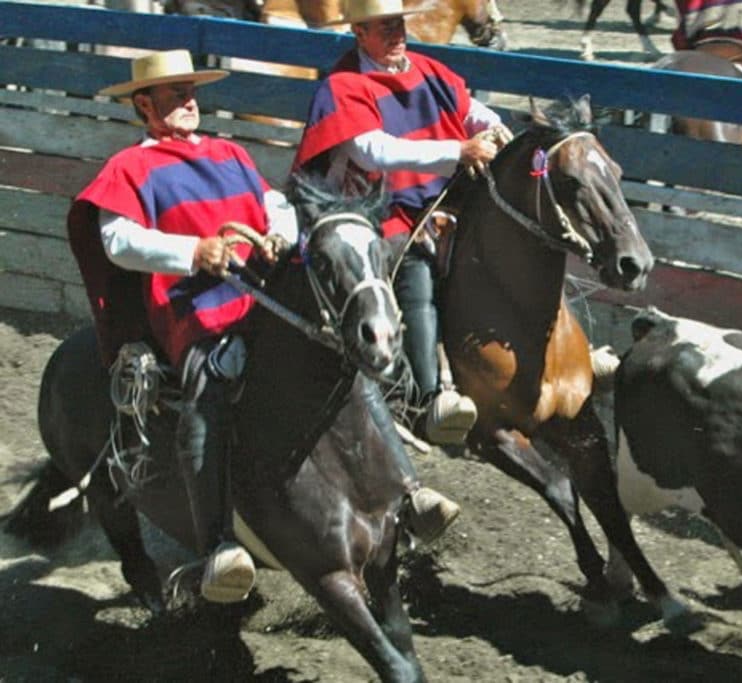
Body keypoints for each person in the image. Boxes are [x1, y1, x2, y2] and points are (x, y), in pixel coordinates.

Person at [66, 50, 452, 606]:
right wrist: (193, 251)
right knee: (209, 390)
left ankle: (407, 492)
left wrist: (279, 233)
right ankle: (218, 545)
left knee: (341, 357)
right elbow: (119, 241)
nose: (189, 102)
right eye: (176, 95)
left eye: (192, 91)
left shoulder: (227, 152)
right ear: (144, 105)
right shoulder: (129, 167)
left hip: (260, 300)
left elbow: (275, 204)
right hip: (194, 312)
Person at [292, 0, 511, 446]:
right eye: (383, 27)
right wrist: (458, 152)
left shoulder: (428, 69)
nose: (396, 34)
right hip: (371, 210)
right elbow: (376, 152)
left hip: (438, 197)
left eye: (398, 24)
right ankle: (427, 400)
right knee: (414, 266)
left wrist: (496, 126)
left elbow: (470, 110)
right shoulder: (342, 85)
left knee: (507, 235)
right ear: (359, 33)